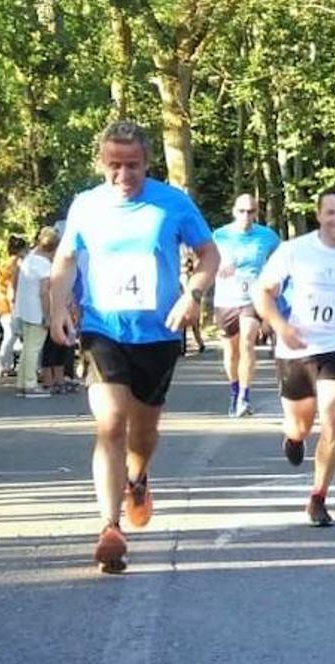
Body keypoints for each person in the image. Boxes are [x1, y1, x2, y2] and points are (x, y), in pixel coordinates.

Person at [49, 121, 218, 574]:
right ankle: (109, 526)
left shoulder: (172, 203)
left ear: (148, 163)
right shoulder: (86, 206)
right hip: (104, 328)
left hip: (159, 331)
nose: (123, 175)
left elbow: (209, 255)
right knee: (110, 424)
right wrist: (56, 309)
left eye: (133, 166)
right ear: (101, 162)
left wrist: (193, 295)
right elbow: (64, 260)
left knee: (141, 435)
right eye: (114, 166)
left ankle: (138, 479)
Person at [254, 188, 335, 527]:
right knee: (300, 425)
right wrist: (279, 325)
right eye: (331, 212)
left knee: (332, 415)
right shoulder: (294, 250)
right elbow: (263, 291)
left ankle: (318, 497)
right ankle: (294, 437)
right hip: (295, 348)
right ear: (319, 215)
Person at [211, 193, 281, 417]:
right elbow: (205, 259)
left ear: (256, 213)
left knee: (247, 343)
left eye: (251, 211)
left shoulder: (267, 236)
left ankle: (244, 395)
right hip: (226, 297)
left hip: (253, 297)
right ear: (234, 212)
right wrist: (218, 268)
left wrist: (272, 287)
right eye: (242, 211)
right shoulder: (219, 235)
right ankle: (234, 390)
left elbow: (280, 263)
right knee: (231, 351)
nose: (246, 216)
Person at [15, 228, 58, 398]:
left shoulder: (29, 258)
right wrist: (48, 315)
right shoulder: (44, 265)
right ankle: (30, 384)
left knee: (27, 348)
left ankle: (22, 382)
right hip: (37, 311)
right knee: (34, 349)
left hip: (24, 308)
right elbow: (44, 292)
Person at [0, 236, 24, 379]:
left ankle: (7, 365)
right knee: (11, 336)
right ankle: (1, 364)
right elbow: (14, 287)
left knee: (10, 335)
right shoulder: (16, 266)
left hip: (2, 304)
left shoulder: (2, 265)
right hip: (12, 305)